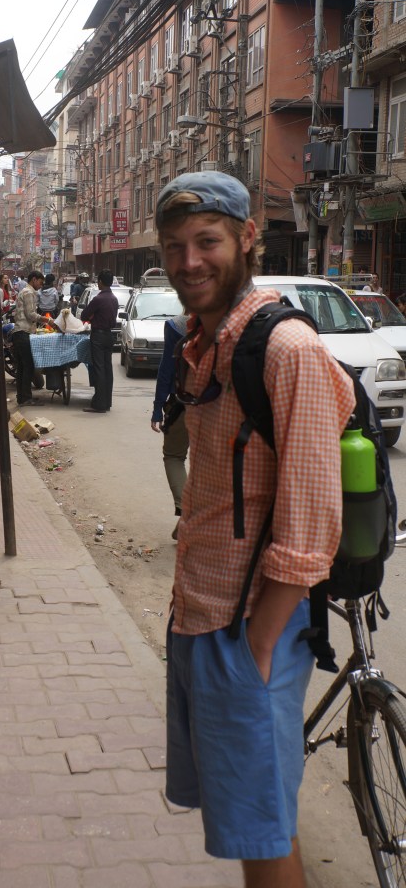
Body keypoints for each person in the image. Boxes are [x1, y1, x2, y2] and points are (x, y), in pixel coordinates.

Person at [156, 170, 354, 888]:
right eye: (175, 246)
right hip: (203, 618)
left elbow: (308, 526)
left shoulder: (285, 349)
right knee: (248, 824)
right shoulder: (207, 342)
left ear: (246, 239)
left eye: (206, 241)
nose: (189, 261)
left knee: (265, 835)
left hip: (247, 632)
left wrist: (259, 650)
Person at [151, 314, 189, 539]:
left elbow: (167, 367)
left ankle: (187, 511)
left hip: (182, 405)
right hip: (218, 409)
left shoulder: (176, 326)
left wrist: (157, 408)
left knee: (174, 457)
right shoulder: (232, 323)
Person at [12, 270, 58, 405]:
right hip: (23, 332)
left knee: (22, 367)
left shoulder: (27, 292)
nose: (41, 284)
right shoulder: (29, 292)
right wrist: (48, 320)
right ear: (34, 279)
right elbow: (31, 315)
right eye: (40, 281)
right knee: (28, 366)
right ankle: (26, 398)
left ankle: (22, 397)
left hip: (21, 332)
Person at [80, 269, 118, 414]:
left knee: (99, 369)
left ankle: (99, 404)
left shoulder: (98, 299)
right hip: (109, 336)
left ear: (100, 282)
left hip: (98, 336)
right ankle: (107, 402)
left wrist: (92, 317)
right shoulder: (114, 299)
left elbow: (84, 314)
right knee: (107, 369)